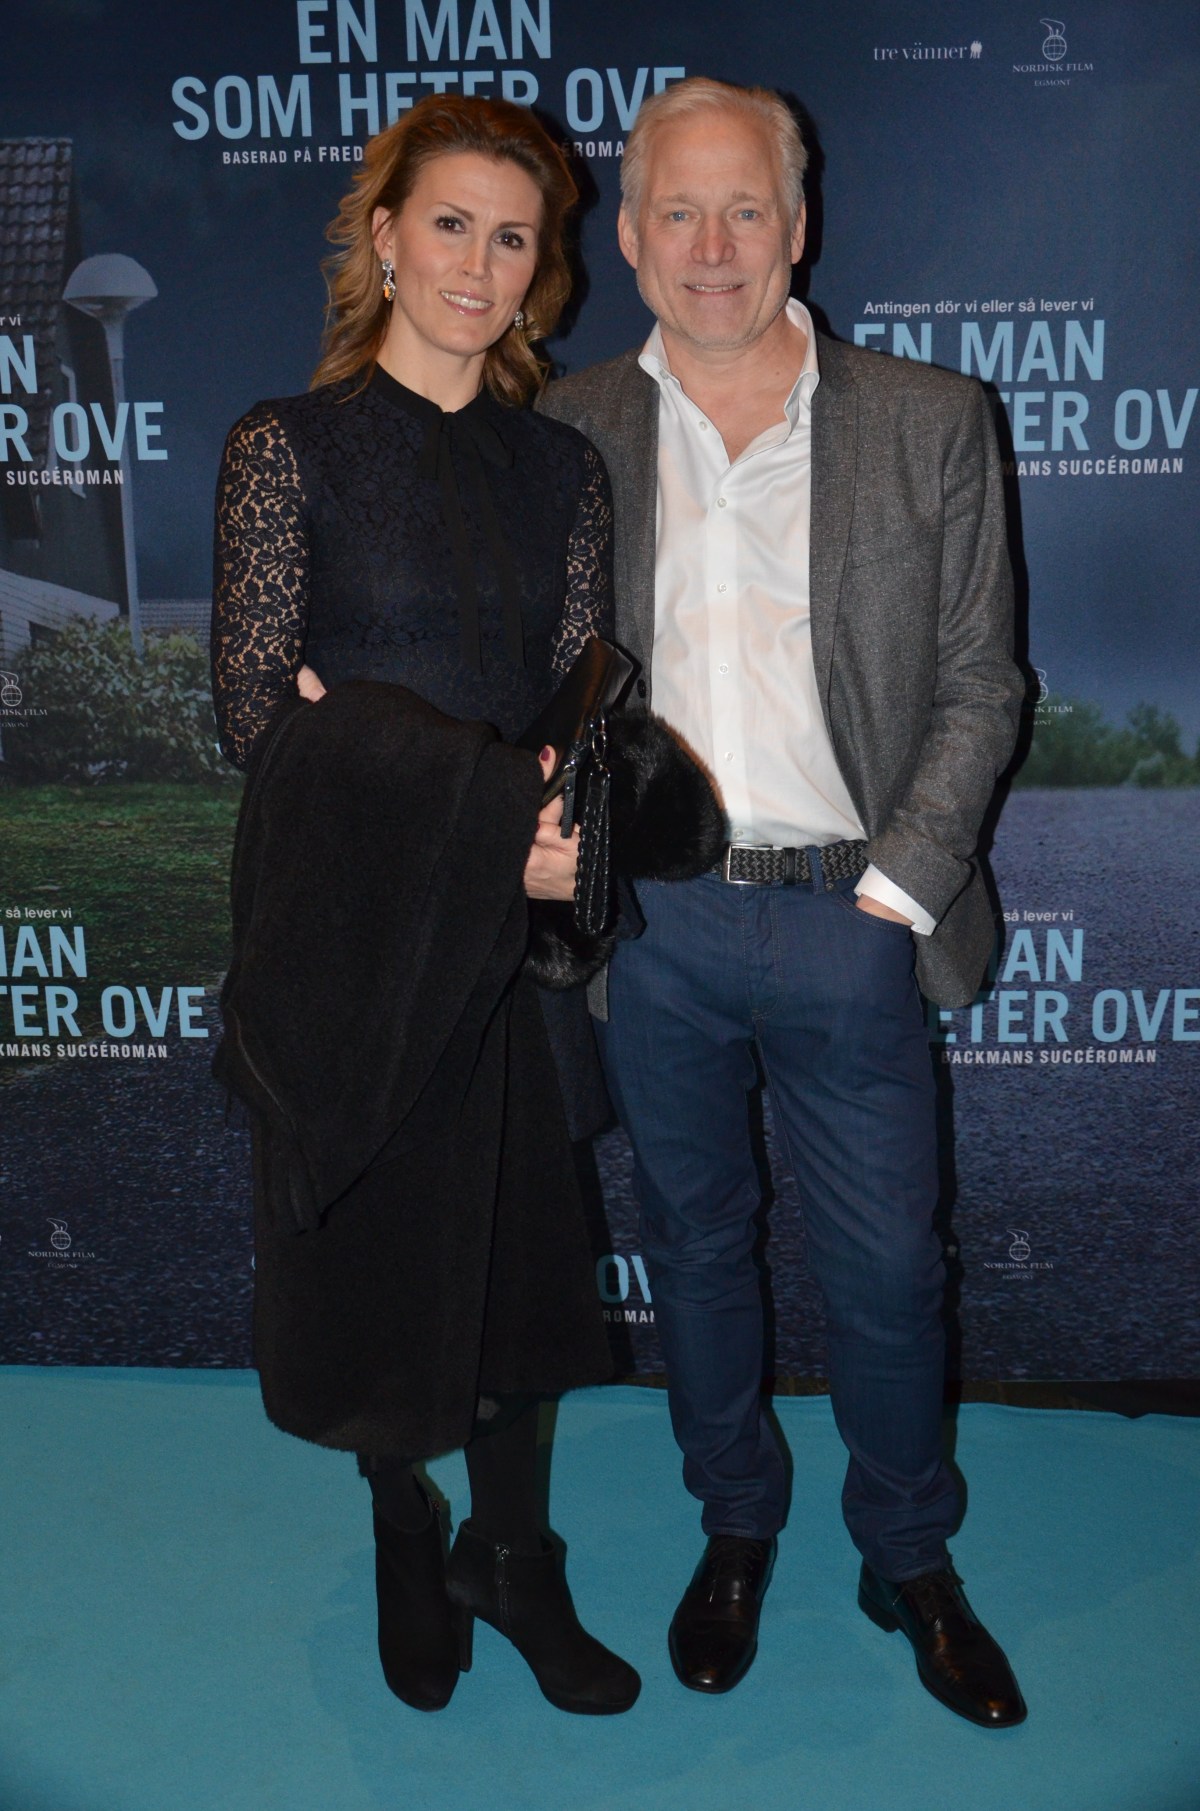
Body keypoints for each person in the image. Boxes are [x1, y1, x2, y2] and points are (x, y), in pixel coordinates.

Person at [540, 76, 1028, 1726]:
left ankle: (908, 1555)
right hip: (659, 928)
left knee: (889, 1269)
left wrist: (896, 891)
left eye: (745, 207)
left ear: (799, 224)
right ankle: (736, 1524)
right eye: (677, 210)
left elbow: (983, 680)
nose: (713, 244)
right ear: (627, 235)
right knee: (694, 1249)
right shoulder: (569, 431)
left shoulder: (930, 418)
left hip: (851, 916)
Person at [210, 94, 640, 1717]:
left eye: (512, 237)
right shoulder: (287, 448)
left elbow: (579, 707)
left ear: (541, 272)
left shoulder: (563, 471)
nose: (479, 263)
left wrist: (564, 838)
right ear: (384, 237)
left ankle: (513, 1558)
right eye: (450, 224)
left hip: (509, 938)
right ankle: (405, 1525)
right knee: (379, 1265)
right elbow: (259, 711)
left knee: (521, 1268)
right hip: (356, 934)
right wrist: (480, 810)